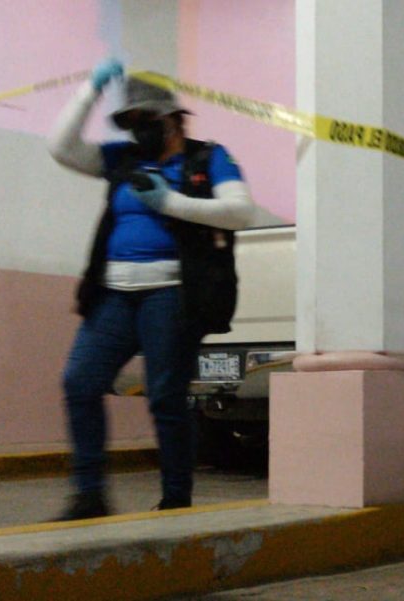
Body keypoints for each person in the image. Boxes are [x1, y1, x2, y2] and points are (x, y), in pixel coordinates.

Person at [48, 58, 256, 520]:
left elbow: (240, 212)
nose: (139, 129)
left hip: (172, 294)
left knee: (165, 396)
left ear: (173, 119)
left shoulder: (207, 158)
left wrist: (170, 201)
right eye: (131, 121)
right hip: (113, 295)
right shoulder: (123, 160)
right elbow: (61, 148)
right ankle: (89, 496)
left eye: (147, 119)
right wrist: (89, 90)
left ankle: (175, 499)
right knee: (79, 381)